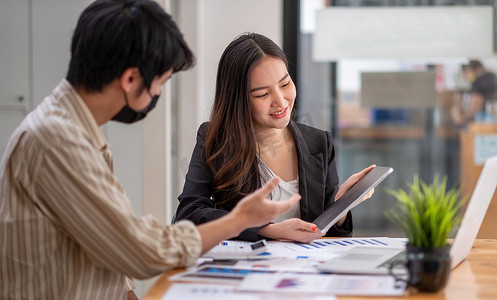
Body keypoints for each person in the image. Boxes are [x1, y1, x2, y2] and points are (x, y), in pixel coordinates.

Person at [0, 2, 300, 299]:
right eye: (160, 82)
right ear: (131, 79)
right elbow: (140, 250)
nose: (158, 93)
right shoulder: (59, 141)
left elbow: (107, 240)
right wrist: (238, 220)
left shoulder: (74, 129)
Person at [175, 33, 375, 243]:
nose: (280, 101)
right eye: (262, 94)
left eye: (285, 84)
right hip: (244, 269)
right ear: (239, 100)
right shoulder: (215, 141)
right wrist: (269, 230)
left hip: (304, 270)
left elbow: (330, 239)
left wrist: (341, 205)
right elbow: (188, 215)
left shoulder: (319, 143)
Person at [451, 60, 497, 125]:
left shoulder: (478, 81)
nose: (465, 77)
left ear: (469, 70)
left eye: (465, 74)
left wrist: (466, 117)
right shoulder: (492, 76)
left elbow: (476, 99)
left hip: (484, 120)